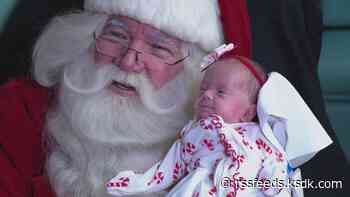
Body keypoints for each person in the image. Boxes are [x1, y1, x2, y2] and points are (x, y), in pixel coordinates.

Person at [0, 1, 348, 197]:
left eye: (159, 47)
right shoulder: (19, 113)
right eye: (116, 34)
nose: (128, 60)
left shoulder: (233, 147)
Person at [106, 56, 293, 197]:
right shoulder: (192, 133)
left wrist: (272, 179)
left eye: (220, 92)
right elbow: (169, 168)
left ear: (247, 113)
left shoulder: (256, 136)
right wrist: (139, 182)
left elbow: (275, 160)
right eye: (204, 89)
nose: (207, 95)